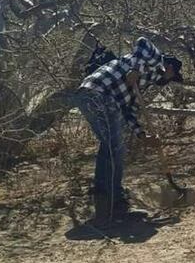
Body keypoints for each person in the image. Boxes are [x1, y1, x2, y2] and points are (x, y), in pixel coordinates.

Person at [75, 36, 184, 223]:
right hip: (99, 93)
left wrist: (143, 136)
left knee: (110, 147)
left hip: (90, 98)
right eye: (171, 77)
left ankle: (106, 199)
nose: (167, 81)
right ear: (169, 69)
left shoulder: (139, 86)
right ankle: (113, 201)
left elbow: (128, 112)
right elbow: (142, 42)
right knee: (115, 148)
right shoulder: (154, 60)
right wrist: (135, 69)